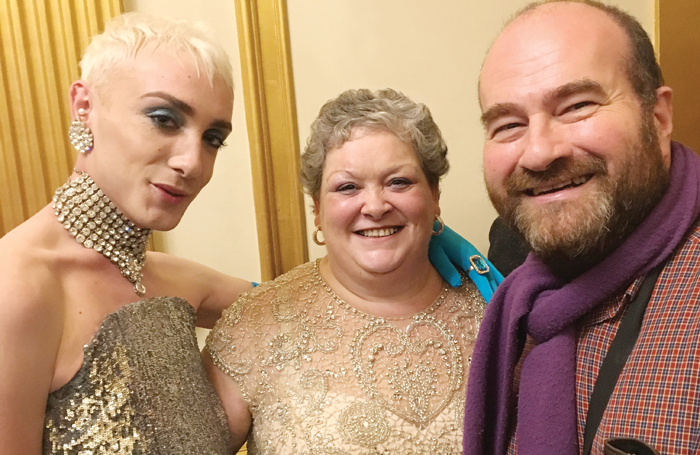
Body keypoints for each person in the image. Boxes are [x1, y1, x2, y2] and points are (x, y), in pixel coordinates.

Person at [0, 13, 255, 453]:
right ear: (84, 106)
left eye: (213, 137)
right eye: (164, 118)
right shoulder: (17, 288)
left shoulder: (175, 280)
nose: (193, 163)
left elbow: (300, 302)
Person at [204, 88, 501, 453]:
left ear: (434, 195)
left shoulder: (495, 312)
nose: (375, 206)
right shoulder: (255, 327)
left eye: (399, 182)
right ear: (316, 208)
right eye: (348, 187)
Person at [463, 1, 700, 454]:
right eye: (508, 125)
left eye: (576, 106)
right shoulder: (518, 297)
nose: (538, 153)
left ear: (658, 116)